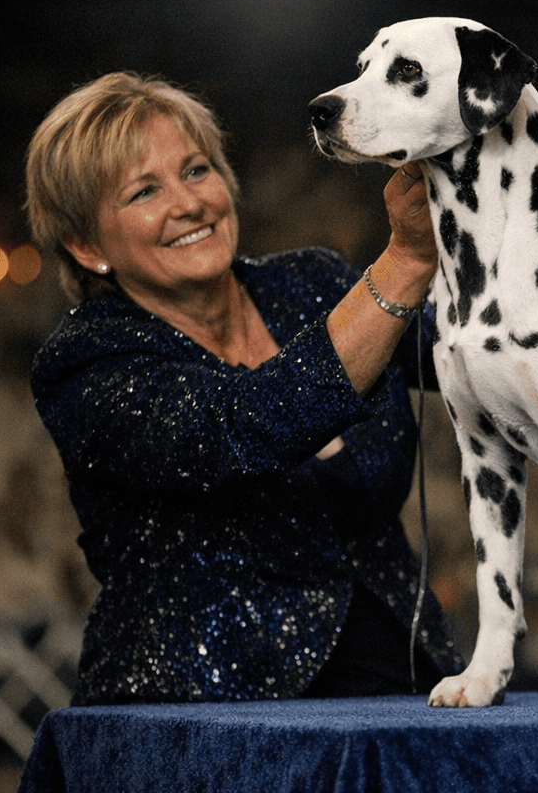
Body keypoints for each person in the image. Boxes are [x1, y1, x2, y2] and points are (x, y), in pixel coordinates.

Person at [25, 72, 462, 704]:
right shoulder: (88, 364)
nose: (188, 203)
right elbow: (248, 423)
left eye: (197, 170)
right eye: (145, 191)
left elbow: (473, 347)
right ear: (86, 244)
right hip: (200, 718)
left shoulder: (315, 282)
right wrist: (406, 262)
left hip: (404, 678)